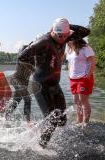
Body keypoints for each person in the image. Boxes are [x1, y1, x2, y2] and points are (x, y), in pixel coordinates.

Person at [18, 18, 90, 147]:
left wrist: (68, 27)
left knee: (62, 119)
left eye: (65, 35)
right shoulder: (43, 41)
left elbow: (86, 31)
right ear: (53, 32)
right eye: (60, 35)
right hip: (40, 85)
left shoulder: (65, 37)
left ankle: (38, 132)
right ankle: (41, 147)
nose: (63, 39)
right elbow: (22, 56)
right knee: (52, 120)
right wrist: (35, 65)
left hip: (54, 85)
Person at [66, 39, 95, 128]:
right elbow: (70, 64)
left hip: (83, 78)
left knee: (83, 101)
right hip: (73, 79)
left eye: (69, 39)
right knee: (76, 101)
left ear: (76, 38)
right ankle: (79, 120)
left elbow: (92, 61)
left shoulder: (85, 47)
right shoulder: (69, 50)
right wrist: (69, 74)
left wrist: (89, 74)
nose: (67, 41)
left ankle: (85, 122)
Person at [5, 45, 34, 127]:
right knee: (27, 99)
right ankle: (28, 122)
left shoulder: (34, 59)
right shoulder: (22, 57)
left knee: (15, 102)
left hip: (23, 83)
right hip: (16, 80)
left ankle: (5, 118)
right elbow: (21, 51)